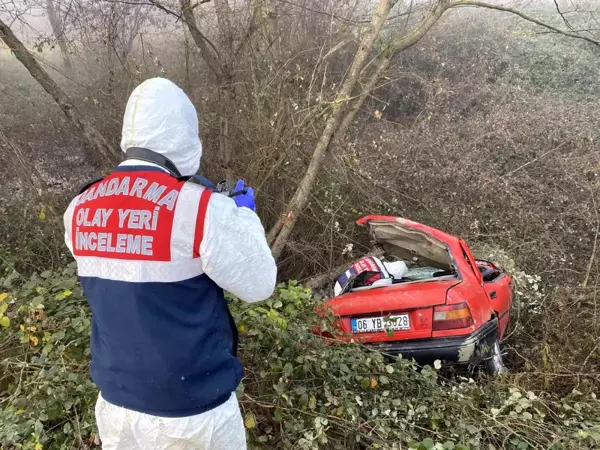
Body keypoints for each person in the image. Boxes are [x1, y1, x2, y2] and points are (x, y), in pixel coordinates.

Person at [63, 78, 277, 449]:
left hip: (117, 408)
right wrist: (242, 218)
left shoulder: (78, 207)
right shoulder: (200, 208)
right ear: (184, 136)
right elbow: (259, 285)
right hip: (192, 414)